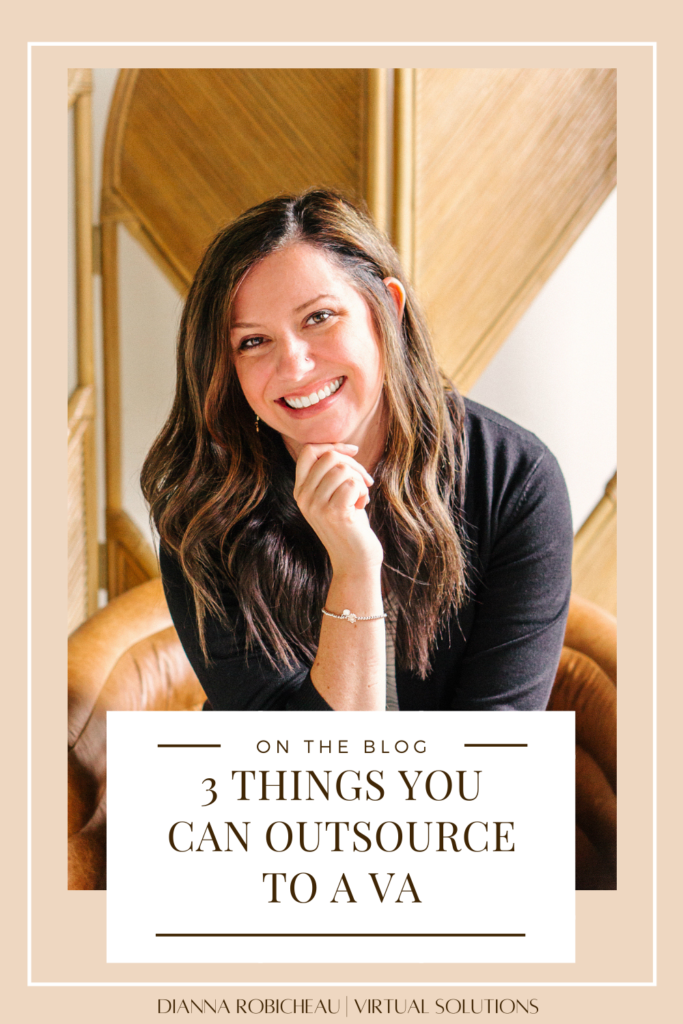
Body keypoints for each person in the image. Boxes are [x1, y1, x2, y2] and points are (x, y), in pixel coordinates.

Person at [141, 189, 573, 713]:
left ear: (386, 310)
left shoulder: (514, 479)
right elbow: (301, 770)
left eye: (319, 317)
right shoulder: (206, 510)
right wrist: (354, 570)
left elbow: (494, 750)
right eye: (253, 342)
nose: (295, 367)